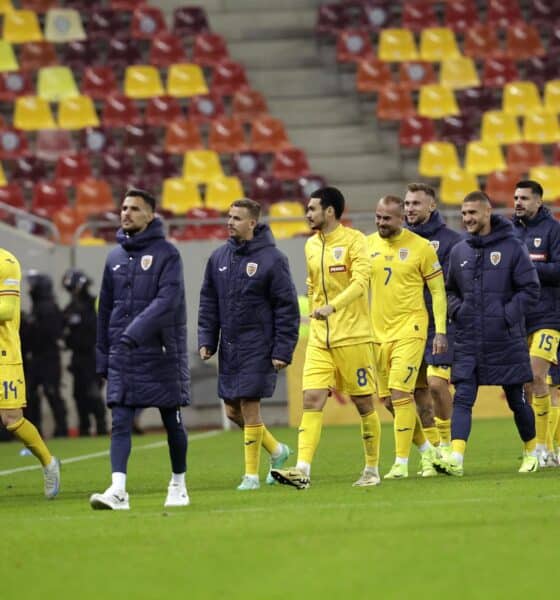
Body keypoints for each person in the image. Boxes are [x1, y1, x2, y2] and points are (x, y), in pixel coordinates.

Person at [272, 186, 381, 489]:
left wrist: (333, 306)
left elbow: (361, 282)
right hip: (321, 338)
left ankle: (372, 469)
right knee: (311, 398)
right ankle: (302, 469)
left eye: (312, 209)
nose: (307, 214)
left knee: (363, 404)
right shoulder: (309, 245)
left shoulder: (354, 240)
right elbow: (312, 282)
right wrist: (316, 303)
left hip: (353, 335)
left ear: (329, 211)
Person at [90, 188, 190, 510]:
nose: (126, 213)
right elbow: (105, 309)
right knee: (119, 420)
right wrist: (102, 354)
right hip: (123, 352)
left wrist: (135, 332)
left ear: (150, 215)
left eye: (134, 208)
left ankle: (178, 483)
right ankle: (118, 490)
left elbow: (168, 300)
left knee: (171, 422)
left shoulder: (168, 254)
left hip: (160, 352)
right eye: (123, 207)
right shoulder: (114, 257)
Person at [198, 198, 299, 491]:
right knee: (232, 412)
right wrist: (207, 339)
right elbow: (208, 302)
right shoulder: (218, 258)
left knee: (250, 407)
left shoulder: (273, 259)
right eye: (229, 217)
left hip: (259, 345)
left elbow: (286, 308)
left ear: (252, 223)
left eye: (237, 218)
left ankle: (251, 476)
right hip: (230, 347)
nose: (230, 222)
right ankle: (278, 452)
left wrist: (282, 350)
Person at [436, 191, 540, 476]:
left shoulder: (512, 247)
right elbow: (449, 290)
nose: (467, 218)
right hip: (469, 338)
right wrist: (459, 311)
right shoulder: (459, 251)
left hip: (504, 338)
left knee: (517, 400)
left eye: (473, 213)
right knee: (462, 398)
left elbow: (530, 289)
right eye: (464, 213)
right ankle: (456, 458)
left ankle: (531, 450)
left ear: (487, 212)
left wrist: (506, 317)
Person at [369, 195, 447, 480]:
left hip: (411, 330)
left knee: (403, 394)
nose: (380, 223)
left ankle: (401, 463)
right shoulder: (367, 245)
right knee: (390, 401)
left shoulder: (421, 247)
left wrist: (440, 331)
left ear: (400, 218)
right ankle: (430, 451)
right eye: (377, 217)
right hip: (378, 334)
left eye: (386, 218)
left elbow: (438, 291)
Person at [404, 183, 462, 467]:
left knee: (438, 386)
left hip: (439, 325)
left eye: (416, 203)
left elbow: (457, 285)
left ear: (432, 206)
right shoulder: (396, 240)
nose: (410, 209)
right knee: (416, 394)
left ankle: (449, 447)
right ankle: (433, 453)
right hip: (405, 327)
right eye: (407, 204)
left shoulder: (451, 241)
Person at [0, 248, 60, 498]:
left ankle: (48, 463)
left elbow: (7, 309)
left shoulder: (6, 261)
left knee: (11, 419)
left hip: (3, 356)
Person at [511, 179, 560, 466]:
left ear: (539, 201)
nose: (518, 202)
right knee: (532, 385)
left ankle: (542, 448)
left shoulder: (553, 230)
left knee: (536, 375)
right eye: (516, 198)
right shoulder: (509, 232)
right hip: (520, 318)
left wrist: (528, 267)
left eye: (525, 198)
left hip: (549, 317)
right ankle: (549, 449)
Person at [61, 268, 107, 437]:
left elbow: (96, 328)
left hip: (92, 355)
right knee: (78, 394)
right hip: (78, 357)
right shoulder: (70, 308)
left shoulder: (93, 304)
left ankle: (101, 426)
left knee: (93, 392)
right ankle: (84, 427)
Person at [24, 271, 68, 438]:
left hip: (47, 357)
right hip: (38, 357)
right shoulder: (38, 306)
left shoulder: (47, 307)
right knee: (33, 395)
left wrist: (32, 327)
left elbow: (50, 333)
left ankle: (61, 429)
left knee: (51, 392)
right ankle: (37, 430)